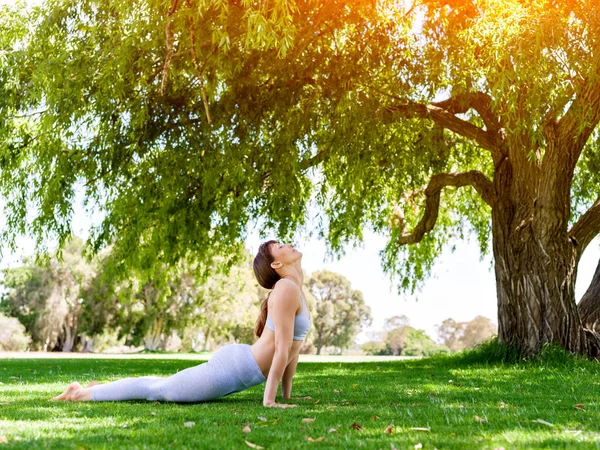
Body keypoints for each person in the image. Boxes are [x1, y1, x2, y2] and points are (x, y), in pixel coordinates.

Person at [50, 240, 311, 409]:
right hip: (234, 369)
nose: (289, 243)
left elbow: (291, 353)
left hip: (241, 364)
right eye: (281, 245)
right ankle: (80, 395)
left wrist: (286, 397)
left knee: (160, 385)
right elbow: (281, 348)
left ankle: (101, 389)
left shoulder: (293, 289)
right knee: (159, 390)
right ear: (277, 263)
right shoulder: (286, 288)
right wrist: (269, 401)